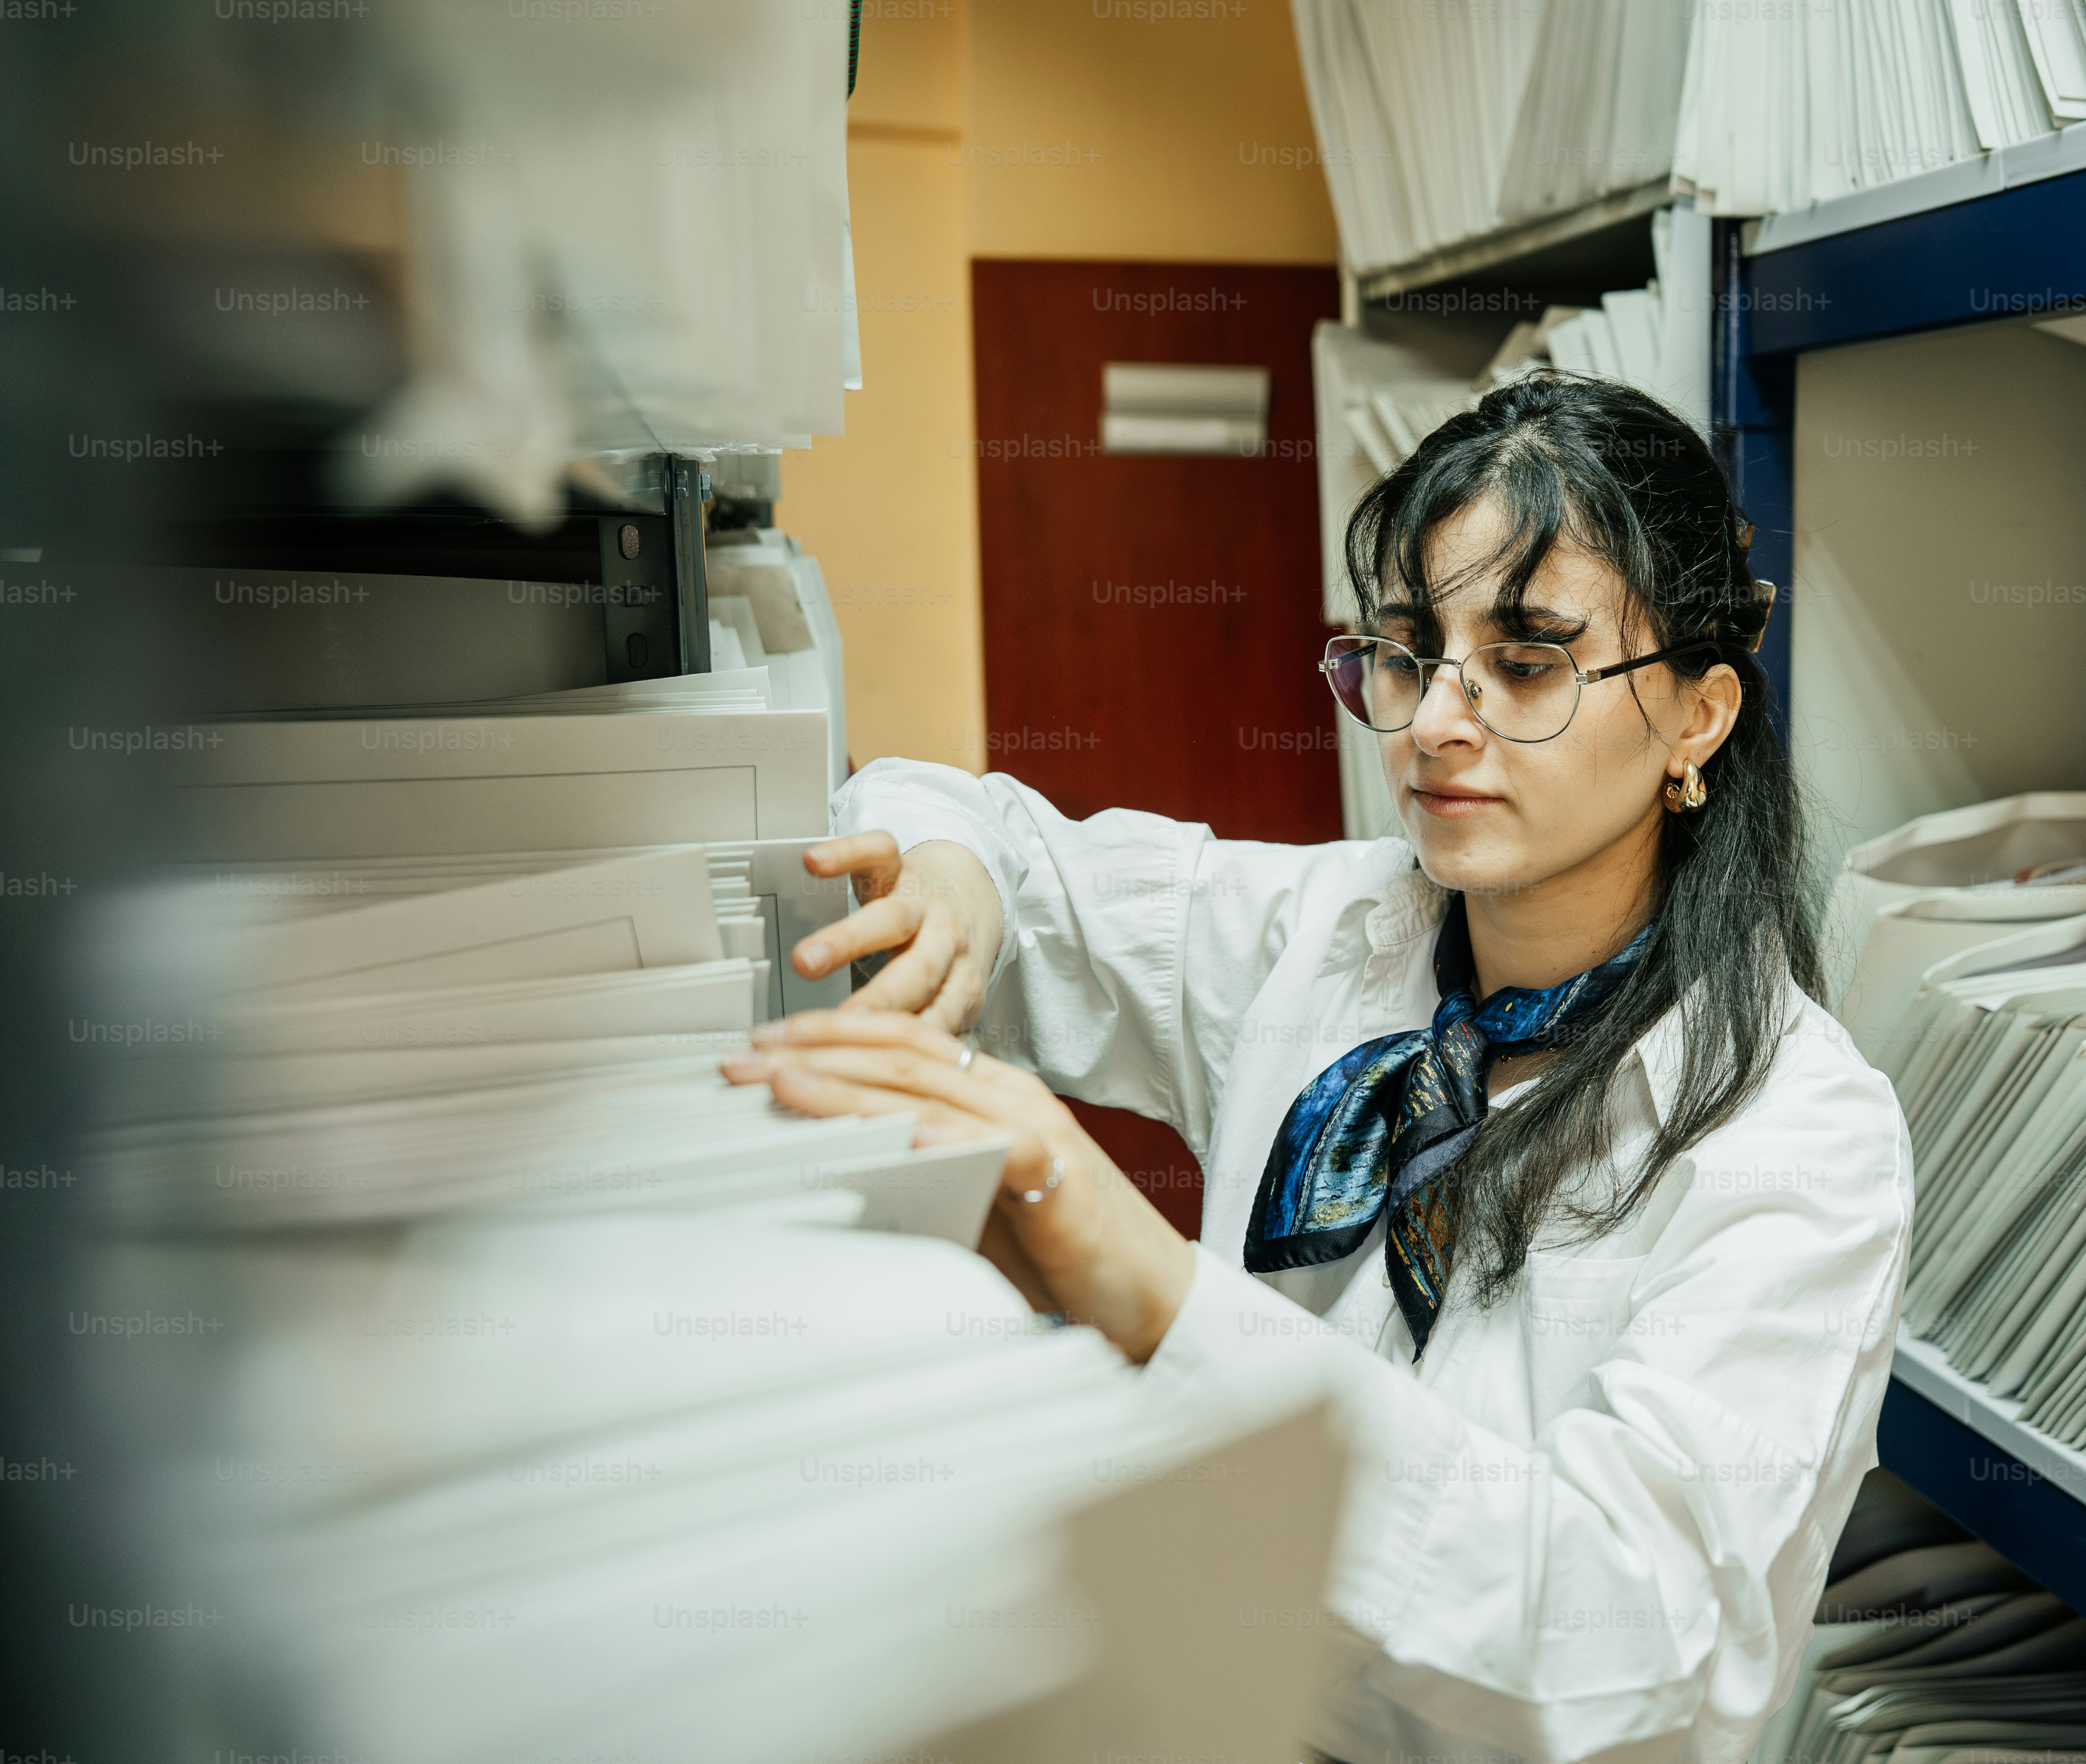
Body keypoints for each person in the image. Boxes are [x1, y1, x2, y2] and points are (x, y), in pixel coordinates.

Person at [722, 373, 1910, 1764]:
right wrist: (954, 879)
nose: (1434, 725)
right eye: (1409, 654)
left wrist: (1159, 1297)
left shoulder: (1799, 1137)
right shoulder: (1331, 936)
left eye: (1525, 663)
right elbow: (967, 821)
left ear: (1699, 718)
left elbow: (1625, 1644)